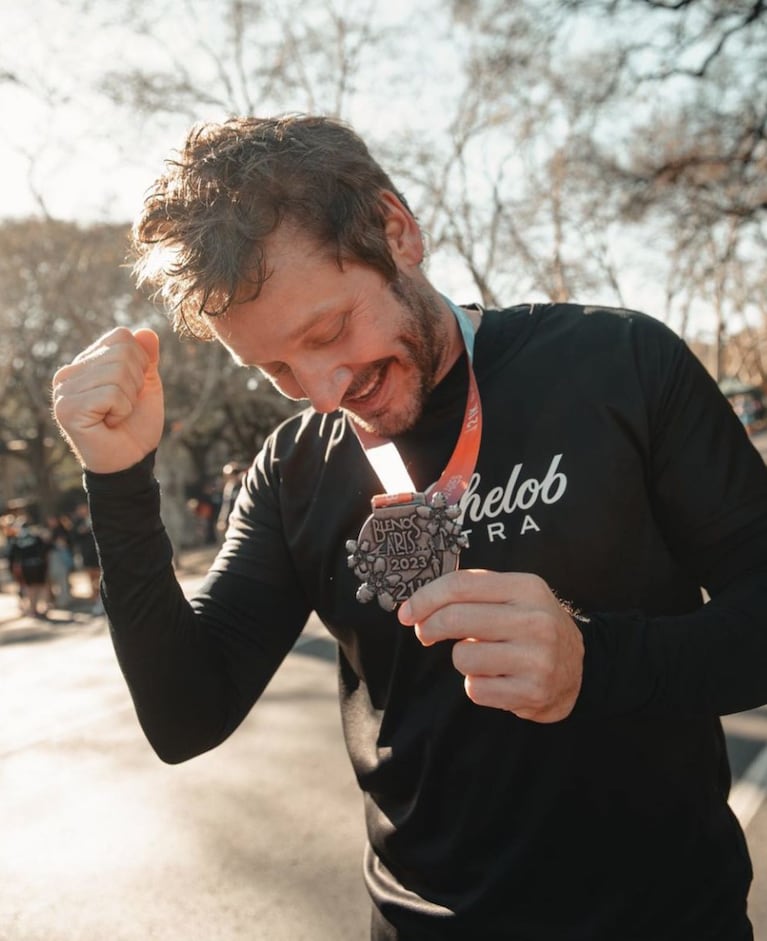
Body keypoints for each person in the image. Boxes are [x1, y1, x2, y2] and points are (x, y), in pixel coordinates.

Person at [51, 115, 767, 940]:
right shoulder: (294, 469)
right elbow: (184, 715)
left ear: (397, 230)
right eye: (276, 368)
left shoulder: (620, 362)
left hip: (665, 916)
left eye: (328, 332)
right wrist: (116, 479)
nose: (321, 391)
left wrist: (594, 661)